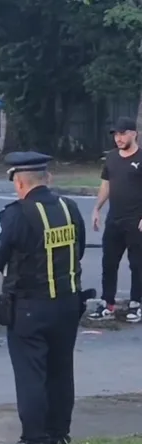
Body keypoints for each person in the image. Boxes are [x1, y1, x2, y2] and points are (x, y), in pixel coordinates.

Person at [0, 151, 86, 444]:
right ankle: (59, 436)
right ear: (48, 178)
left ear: (18, 183)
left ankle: (34, 441)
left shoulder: (16, 214)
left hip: (30, 308)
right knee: (61, 372)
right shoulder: (70, 209)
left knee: (32, 375)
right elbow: (78, 251)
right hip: (67, 304)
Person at [88, 116, 142, 322]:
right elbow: (106, 185)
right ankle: (107, 304)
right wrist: (97, 209)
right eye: (116, 134)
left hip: (136, 220)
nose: (118, 138)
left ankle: (136, 303)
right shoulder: (111, 158)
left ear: (133, 134)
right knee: (108, 262)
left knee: (137, 264)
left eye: (122, 134)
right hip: (114, 219)